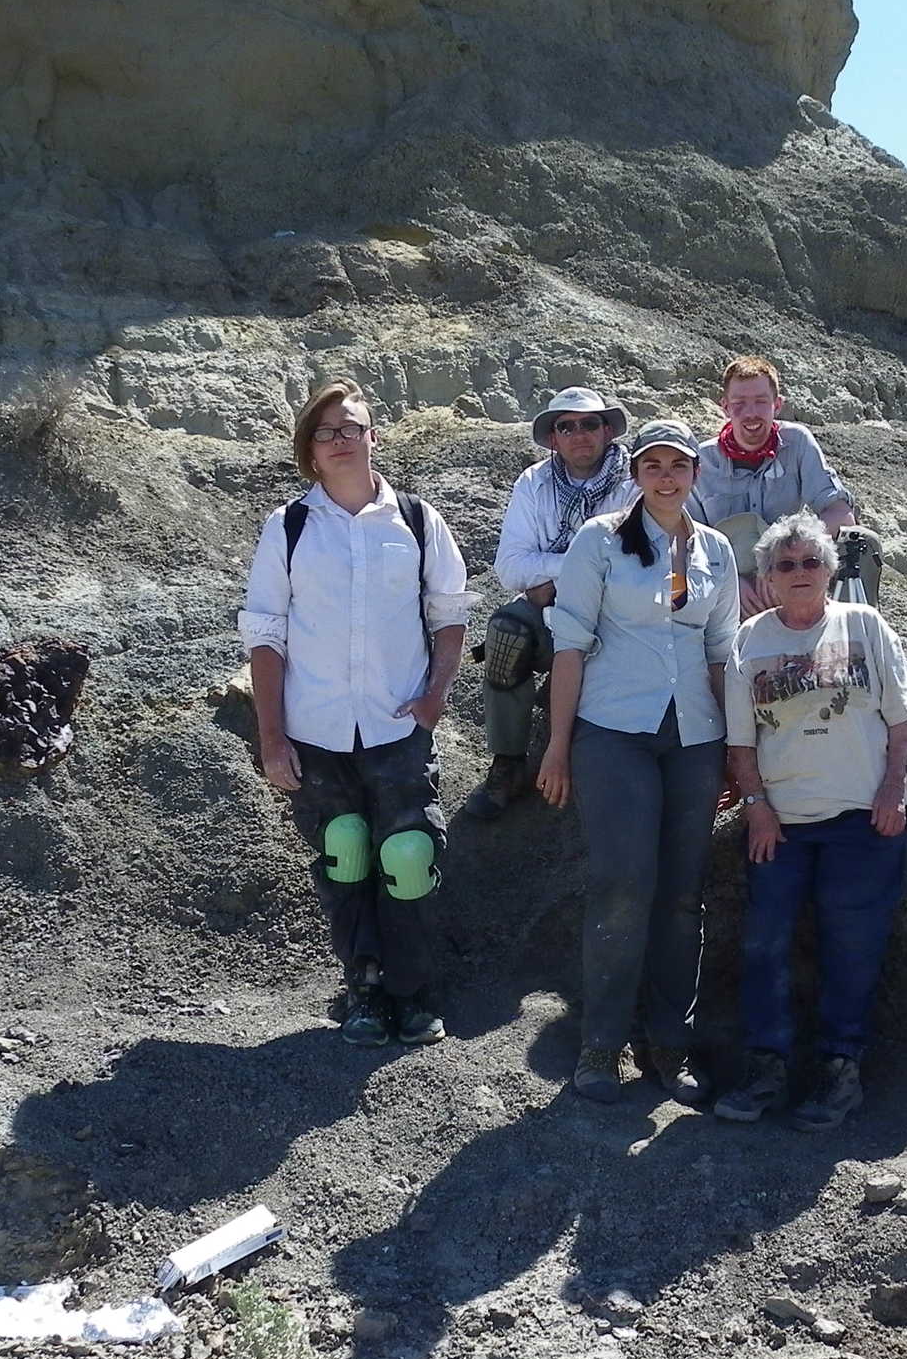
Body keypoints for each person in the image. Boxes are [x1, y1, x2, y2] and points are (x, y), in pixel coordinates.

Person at [239, 379, 474, 1049]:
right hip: (316, 733)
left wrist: (435, 696)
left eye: (353, 427)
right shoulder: (287, 528)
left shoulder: (420, 522)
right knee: (345, 853)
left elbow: (451, 612)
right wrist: (272, 737)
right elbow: (265, 633)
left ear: (374, 437)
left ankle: (411, 990)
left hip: (398, 728)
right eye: (326, 431)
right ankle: (364, 987)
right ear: (310, 450)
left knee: (407, 853)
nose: (342, 439)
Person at [536, 421, 740, 1104]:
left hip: (695, 736)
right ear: (635, 474)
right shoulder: (599, 541)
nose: (664, 477)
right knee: (623, 881)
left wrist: (737, 751)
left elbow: (721, 653)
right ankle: (601, 1044)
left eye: (676, 466)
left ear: (694, 474)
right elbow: (569, 645)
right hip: (613, 730)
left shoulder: (714, 551)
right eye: (652, 465)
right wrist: (558, 746)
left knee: (683, 895)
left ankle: (669, 1044)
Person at [717, 511, 907, 1132]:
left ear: (831, 570)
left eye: (811, 562)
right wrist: (756, 808)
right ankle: (766, 1066)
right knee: (765, 942)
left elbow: (901, 718)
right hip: (783, 821)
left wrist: (893, 791)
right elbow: (741, 743)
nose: (800, 573)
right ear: (767, 578)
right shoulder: (749, 642)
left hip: (863, 817)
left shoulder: (865, 625)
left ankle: (840, 1069)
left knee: (852, 944)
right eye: (786, 565)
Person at [468, 385, 636, 819]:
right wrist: (581, 567)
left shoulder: (635, 480)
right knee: (505, 633)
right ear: (553, 437)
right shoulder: (533, 482)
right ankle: (508, 760)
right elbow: (509, 567)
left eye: (590, 424)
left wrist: (554, 574)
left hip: (616, 614)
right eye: (567, 426)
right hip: (549, 614)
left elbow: (629, 560)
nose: (580, 433)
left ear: (607, 430)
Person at [692, 355, 880, 616]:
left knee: (861, 542)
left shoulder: (798, 442)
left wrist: (789, 560)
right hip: (728, 579)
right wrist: (730, 580)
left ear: (777, 405)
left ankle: (856, 643)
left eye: (761, 402)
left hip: (792, 566)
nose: (751, 413)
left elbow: (841, 514)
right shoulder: (701, 461)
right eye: (739, 403)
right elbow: (687, 540)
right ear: (724, 406)